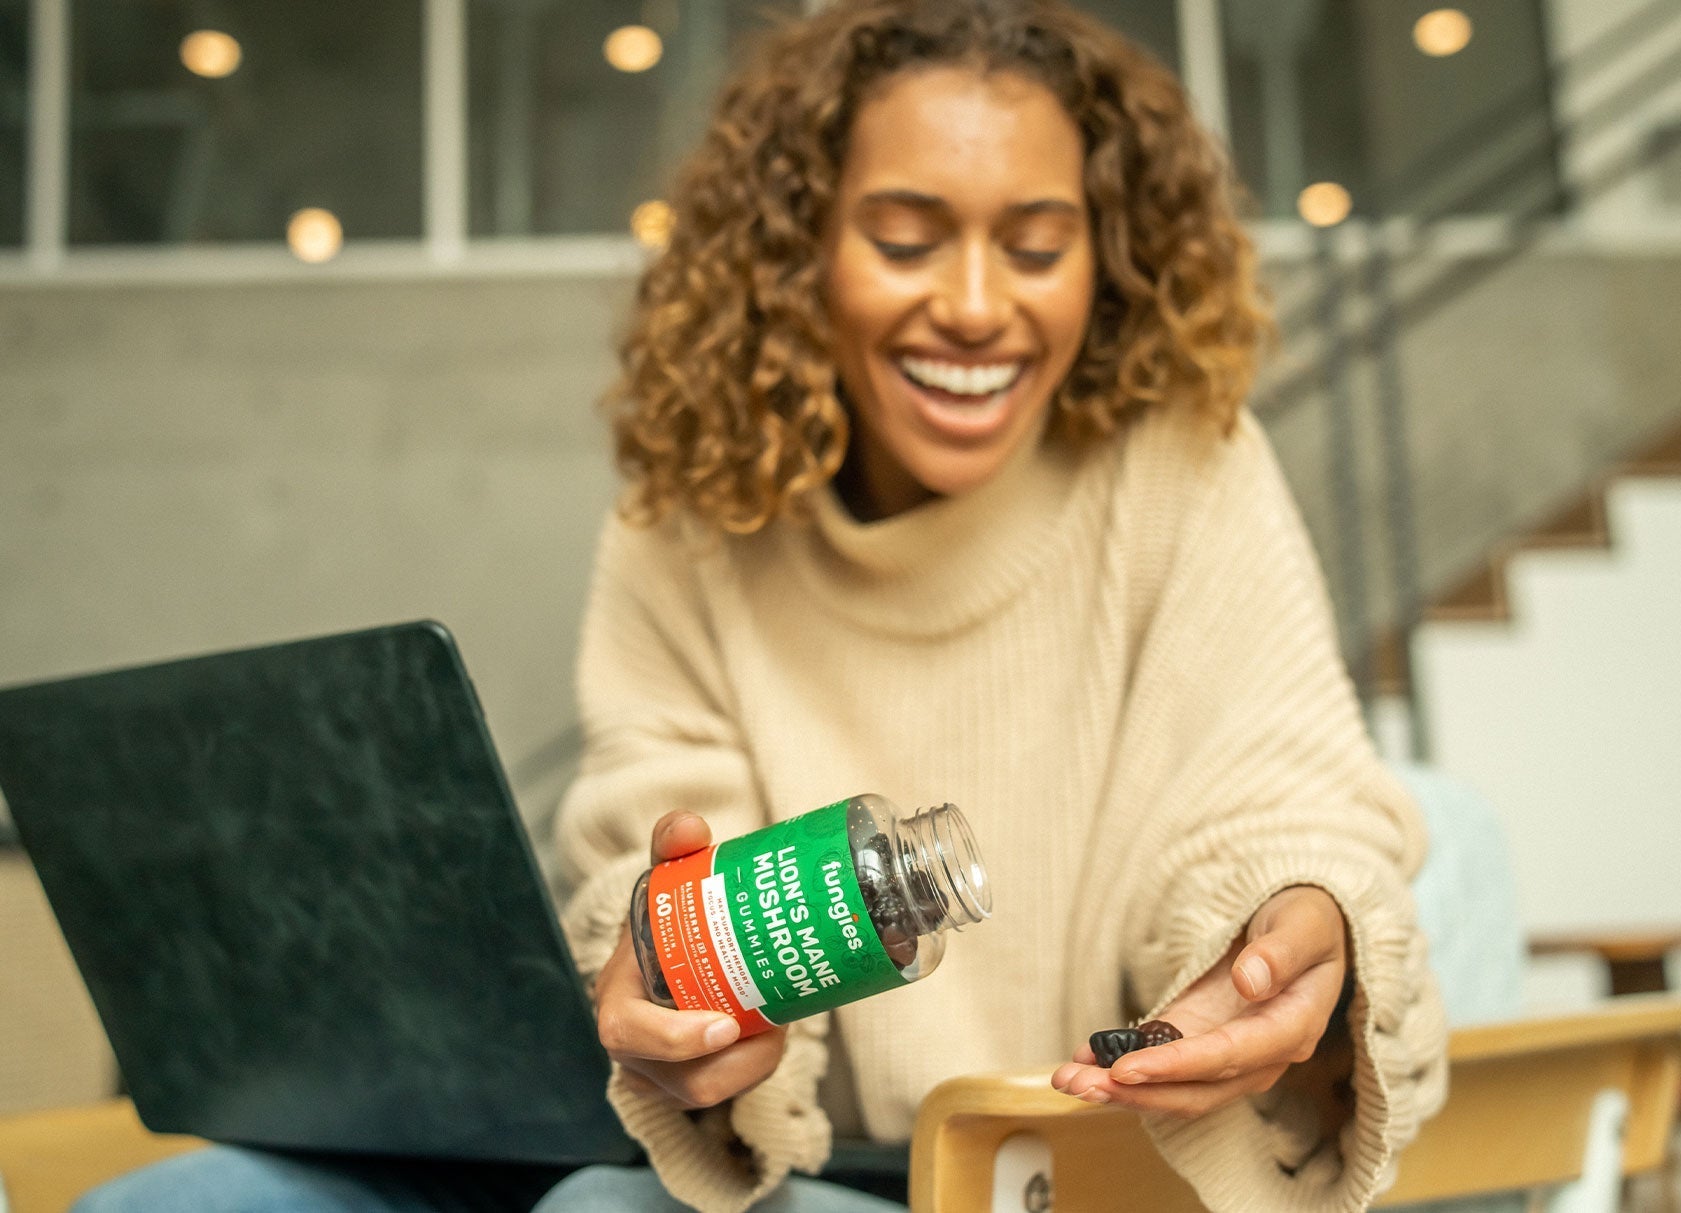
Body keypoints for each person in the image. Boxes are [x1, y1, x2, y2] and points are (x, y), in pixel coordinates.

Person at [74, 2, 1446, 1211]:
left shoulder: (1181, 465)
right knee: (173, 1197)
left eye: (1035, 248)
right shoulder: (686, 513)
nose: (974, 307)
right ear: (799, 252)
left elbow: (1272, 792)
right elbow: (664, 841)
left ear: (1108, 261)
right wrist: (678, 999)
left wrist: (1282, 931)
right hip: (798, 1162)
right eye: (906, 239)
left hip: (1045, 1170)